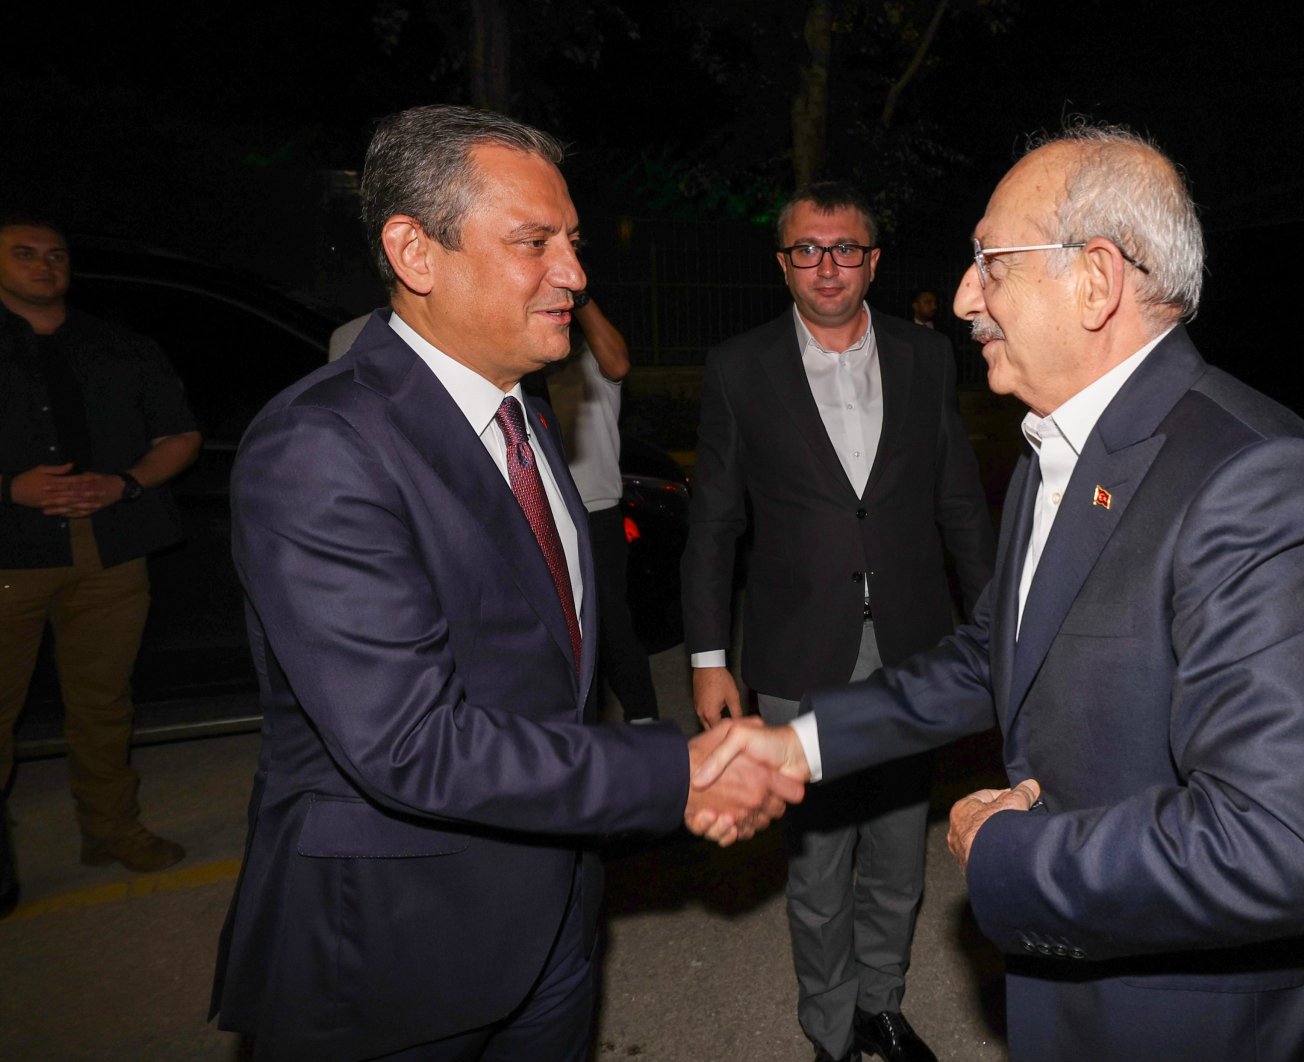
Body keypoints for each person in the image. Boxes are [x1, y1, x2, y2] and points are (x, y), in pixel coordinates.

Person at [697, 126, 1304, 1061]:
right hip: (1082, 977)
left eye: (992, 262)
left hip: (1192, 1014)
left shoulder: (1257, 484)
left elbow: (1280, 850)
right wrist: (798, 745)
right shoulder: (1056, 445)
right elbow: (997, 653)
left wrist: (1006, 853)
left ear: (1096, 281)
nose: (968, 296)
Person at [209, 104, 803, 1061]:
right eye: (535, 243)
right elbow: (407, 741)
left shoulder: (519, 408)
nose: (573, 272)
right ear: (415, 252)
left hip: (553, 920)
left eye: (570, 241)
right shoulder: (321, 447)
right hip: (401, 954)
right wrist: (676, 768)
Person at [681, 182, 994, 1062]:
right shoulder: (741, 368)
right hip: (797, 646)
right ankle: (828, 1028)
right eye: (807, 250)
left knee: (897, 854)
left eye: (845, 248)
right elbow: (713, 524)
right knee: (818, 863)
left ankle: (881, 1008)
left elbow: (960, 506)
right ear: (783, 264)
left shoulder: (926, 357)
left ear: (873, 262)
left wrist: (1002, 623)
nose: (827, 265)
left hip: (912, 642)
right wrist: (709, 656)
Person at [0, 215, 201, 910]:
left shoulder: (116, 345)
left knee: (103, 705)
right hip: (10, 553)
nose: (43, 265)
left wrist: (129, 481)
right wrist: (11, 486)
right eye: (24, 254)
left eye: (54, 255)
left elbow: (180, 433)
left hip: (111, 550)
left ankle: (111, 829)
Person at [544, 291, 660, 723]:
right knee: (559, 628)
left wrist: (584, 297)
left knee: (611, 621)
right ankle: (575, 731)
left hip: (596, 510)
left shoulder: (594, 356)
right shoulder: (527, 359)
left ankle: (644, 721)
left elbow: (620, 364)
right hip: (543, 509)